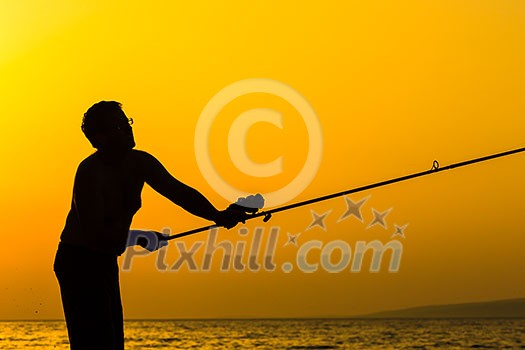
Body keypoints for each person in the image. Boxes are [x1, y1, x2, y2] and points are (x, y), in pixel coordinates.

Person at [53, 101, 243, 349]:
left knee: (111, 342)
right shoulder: (90, 172)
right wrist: (139, 238)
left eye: (127, 122)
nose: (128, 129)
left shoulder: (140, 162)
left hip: (105, 261)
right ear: (100, 137)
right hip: (78, 263)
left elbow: (178, 191)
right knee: (95, 343)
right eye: (119, 125)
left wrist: (217, 216)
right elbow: (94, 234)